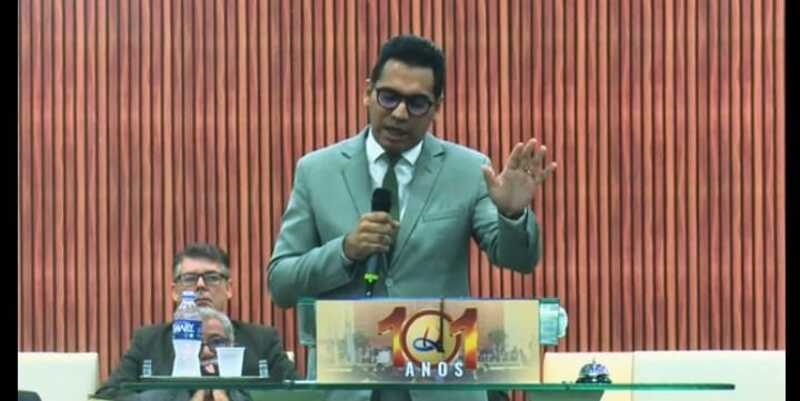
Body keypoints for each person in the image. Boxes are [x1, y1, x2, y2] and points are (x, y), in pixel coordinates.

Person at [267, 35, 556, 401]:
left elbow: (518, 259)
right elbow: (281, 283)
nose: (400, 114)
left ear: (437, 107)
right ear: (368, 93)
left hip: (440, 383)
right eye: (389, 97)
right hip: (348, 385)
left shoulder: (467, 170)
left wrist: (511, 213)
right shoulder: (317, 171)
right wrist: (345, 250)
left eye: (417, 103)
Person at [94, 243, 299, 401]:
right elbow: (107, 396)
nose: (200, 285)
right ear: (175, 291)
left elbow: (300, 395)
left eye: (212, 277)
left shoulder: (262, 340)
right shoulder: (148, 341)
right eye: (190, 278)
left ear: (229, 289)